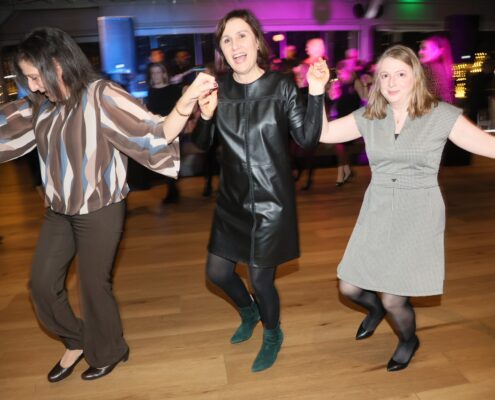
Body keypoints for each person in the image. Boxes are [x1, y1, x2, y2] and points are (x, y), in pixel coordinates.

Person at [0, 27, 216, 382]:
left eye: (36, 76)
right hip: (59, 211)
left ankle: (111, 349)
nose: (34, 86)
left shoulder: (100, 95)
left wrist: (188, 100)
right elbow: (5, 128)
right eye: (28, 79)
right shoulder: (40, 105)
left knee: (92, 286)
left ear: (57, 64)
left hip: (100, 208)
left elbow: (155, 133)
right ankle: (77, 340)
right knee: (40, 285)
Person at [320, 44, 495, 371]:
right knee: (349, 287)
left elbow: (490, 146)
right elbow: (324, 133)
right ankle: (374, 310)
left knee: (393, 298)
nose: (391, 81)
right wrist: (317, 92)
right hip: (377, 208)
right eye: (385, 75)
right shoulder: (370, 116)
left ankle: (408, 340)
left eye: (400, 73)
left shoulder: (441, 115)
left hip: (418, 213)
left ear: (416, 76)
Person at [192, 9, 328, 372]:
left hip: (272, 204)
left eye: (241, 35)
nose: (235, 45)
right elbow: (201, 144)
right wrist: (205, 115)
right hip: (232, 201)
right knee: (217, 273)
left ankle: (272, 333)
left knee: (260, 280)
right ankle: (249, 312)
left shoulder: (281, 85)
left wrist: (316, 93)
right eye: (226, 39)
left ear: (256, 40)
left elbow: (307, 139)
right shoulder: (219, 89)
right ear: (221, 49)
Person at [146, 62, 184, 203]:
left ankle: (172, 191)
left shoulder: (172, 89)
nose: (155, 75)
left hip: (172, 127)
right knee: (164, 161)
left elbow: (184, 99)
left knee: (171, 160)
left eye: (158, 72)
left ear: (164, 74)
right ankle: (172, 190)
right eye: (153, 73)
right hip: (158, 129)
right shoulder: (151, 90)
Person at [328, 59, 367, 186]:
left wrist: (365, 85)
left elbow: (364, 98)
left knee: (340, 146)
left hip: (352, 120)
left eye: (341, 72)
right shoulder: (338, 84)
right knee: (340, 146)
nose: (339, 75)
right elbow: (332, 98)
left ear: (348, 71)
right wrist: (333, 88)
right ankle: (346, 170)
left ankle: (342, 174)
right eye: (338, 73)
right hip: (340, 118)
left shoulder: (355, 82)